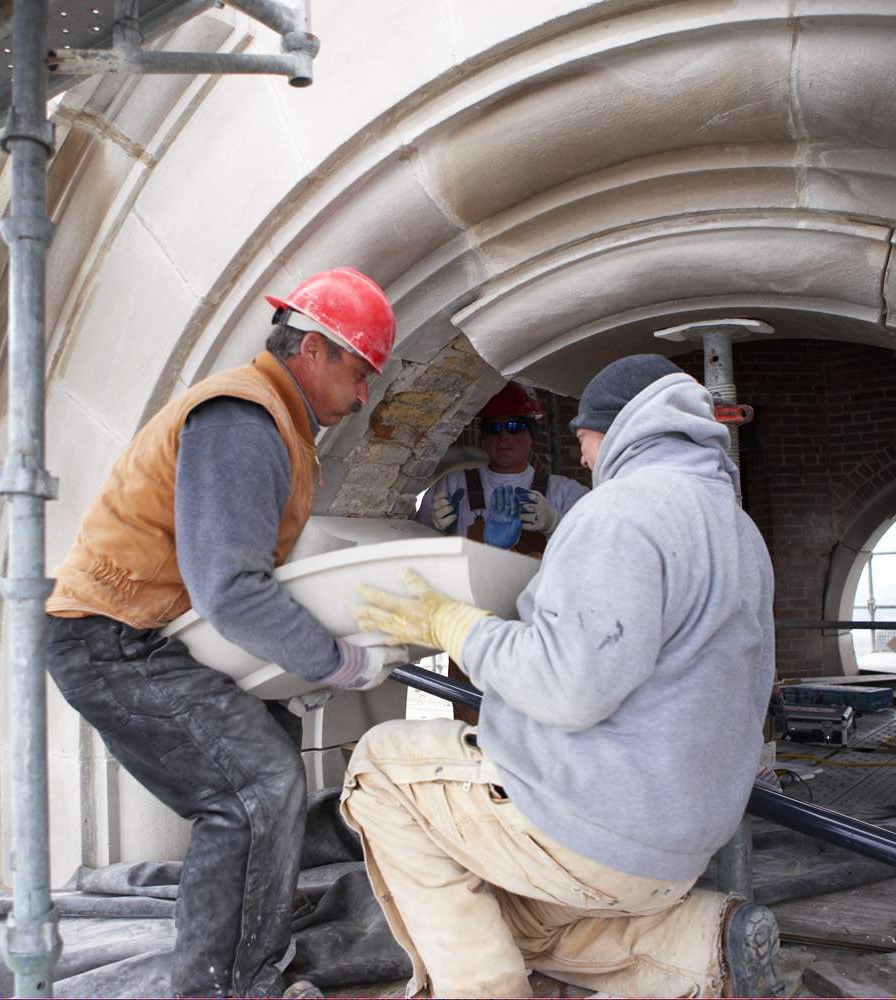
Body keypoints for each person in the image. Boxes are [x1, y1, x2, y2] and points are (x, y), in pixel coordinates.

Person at [342, 354, 781, 998]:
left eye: (582, 437)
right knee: (501, 911)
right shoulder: (735, 525)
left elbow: (568, 686)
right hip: (683, 841)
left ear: (621, 427)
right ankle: (696, 948)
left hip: (599, 824)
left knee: (380, 767)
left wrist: (449, 624)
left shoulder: (620, 513)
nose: (581, 457)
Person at [44, 267, 409, 998]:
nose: (365, 395)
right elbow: (231, 589)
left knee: (269, 752)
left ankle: (256, 919)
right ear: (314, 350)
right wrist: (336, 661)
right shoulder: (243, 421)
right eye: (361, 371)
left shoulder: (273, 420)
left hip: (148, 635)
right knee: (255, 787)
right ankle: (226, 985)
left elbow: (241, 576)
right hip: (110, 638)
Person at [416, 381, 588, 557]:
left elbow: (592, 549)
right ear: (484, 435)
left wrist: (554, 523)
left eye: (514, 426)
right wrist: (437, 531)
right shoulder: (452, 486)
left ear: (532, 433)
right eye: (493, 428)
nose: (503, 436)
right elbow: (415, 548)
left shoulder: (565, 492)